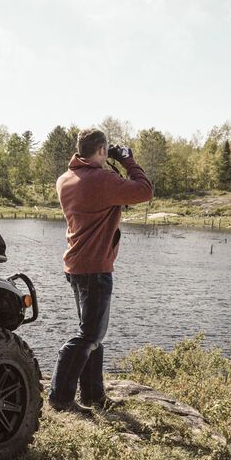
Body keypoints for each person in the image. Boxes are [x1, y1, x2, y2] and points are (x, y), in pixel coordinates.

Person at [48, 128, 153, 412]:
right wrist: (128, 160)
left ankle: (93, 396)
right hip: (95, 267)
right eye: (107, 151)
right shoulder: (103, 180)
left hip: (76, 265)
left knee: (93, 333)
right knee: (90, 335)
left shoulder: (65, 179)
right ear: (101, 151)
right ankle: (60, 398)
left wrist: (111, 161)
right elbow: (145, 190)